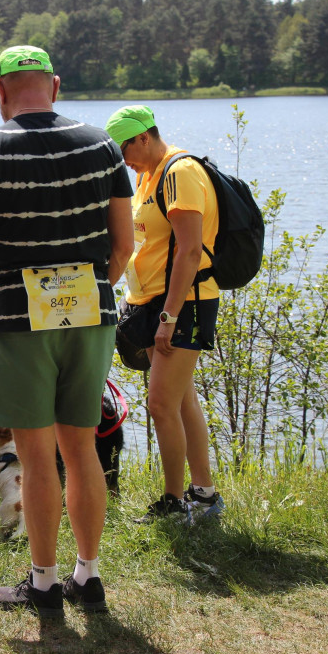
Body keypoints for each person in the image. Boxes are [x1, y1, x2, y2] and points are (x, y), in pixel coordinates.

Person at [0, 46, 134, 617]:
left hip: (20, 322)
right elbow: (123, 247)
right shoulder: (104, 146)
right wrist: (89, 291)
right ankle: (87, 578)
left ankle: (44, 585)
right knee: (83, 450)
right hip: (93, 317)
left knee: (37, 456)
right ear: (55, 86)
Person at [103, 104, 226, 523]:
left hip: (183, 303)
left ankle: (175, 502)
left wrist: (169, 317)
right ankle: (204, 495)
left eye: (125, 150)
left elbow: (191, 250)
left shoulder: (181, 173)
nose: (123, 160)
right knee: (182, 400)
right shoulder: (146, 176)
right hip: (155, 302)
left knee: (160, 405)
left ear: (143, 137)